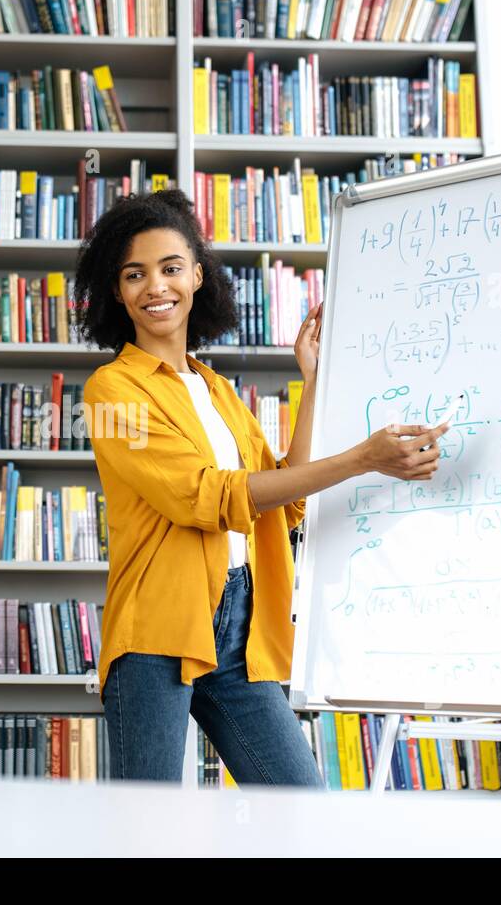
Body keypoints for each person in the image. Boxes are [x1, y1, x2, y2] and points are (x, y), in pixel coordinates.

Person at [76, 189, 448, 786]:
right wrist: (362, 459)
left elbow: (284, 501)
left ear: (197, 276)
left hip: (239, 622)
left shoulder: (217, 390)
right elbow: (206, 498)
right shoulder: (110, 391)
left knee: (299, 806)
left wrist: (313, 384)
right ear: (117, 292)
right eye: (134, 274)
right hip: (155, 633)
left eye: (171, 269)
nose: (156, 287)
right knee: (147, 834)